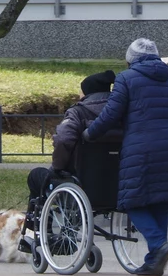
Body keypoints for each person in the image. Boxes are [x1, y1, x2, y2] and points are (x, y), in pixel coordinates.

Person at [82, 38, 168, 276]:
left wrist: (91, 132)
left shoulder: (126, 79)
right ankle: (154, 261)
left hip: (143, 146)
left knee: (131, 202)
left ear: (130, 59)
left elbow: (112, 113)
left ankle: (158, 245)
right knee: (160, 201)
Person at [20, 70, 116, 255]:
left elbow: (63, 140)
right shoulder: (122, 113)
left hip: (81, 183)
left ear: (87, 93)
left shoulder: (78, 112)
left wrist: (57, 167)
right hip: (117, 184)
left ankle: (40, 234)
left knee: (36, 177)